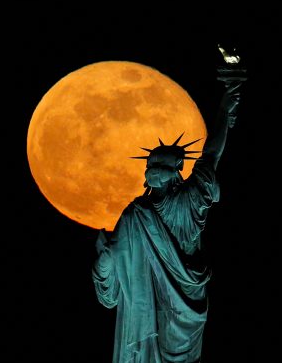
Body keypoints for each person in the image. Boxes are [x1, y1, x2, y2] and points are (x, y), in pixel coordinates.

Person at [92, 79, 242, 363]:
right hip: (147, 308)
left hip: (183, 308)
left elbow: (211, 155)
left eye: (161, 167)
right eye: (151, 166)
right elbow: (110, 293)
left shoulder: (187, 201)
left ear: (176, 171)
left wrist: (224, 110)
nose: (154, 171)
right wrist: (105, 264)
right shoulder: (135, 214)